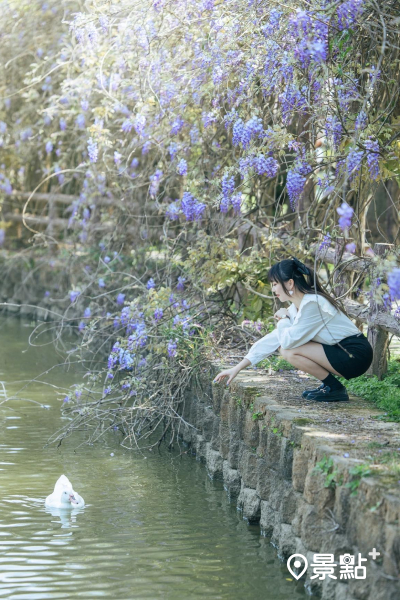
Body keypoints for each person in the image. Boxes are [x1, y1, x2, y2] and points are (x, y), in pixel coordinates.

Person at [213, 257, 374, 402]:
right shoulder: (298, 307)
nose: (273, 289)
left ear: (290, 283)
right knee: (287, 348)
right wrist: (238, 367)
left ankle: (335, 389)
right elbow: (274, 338)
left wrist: (283, 319)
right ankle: (331, 387)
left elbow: (287, 341)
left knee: (288, 350)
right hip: (343, 351)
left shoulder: (313, 304)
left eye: (275, 284)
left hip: (355, 355)